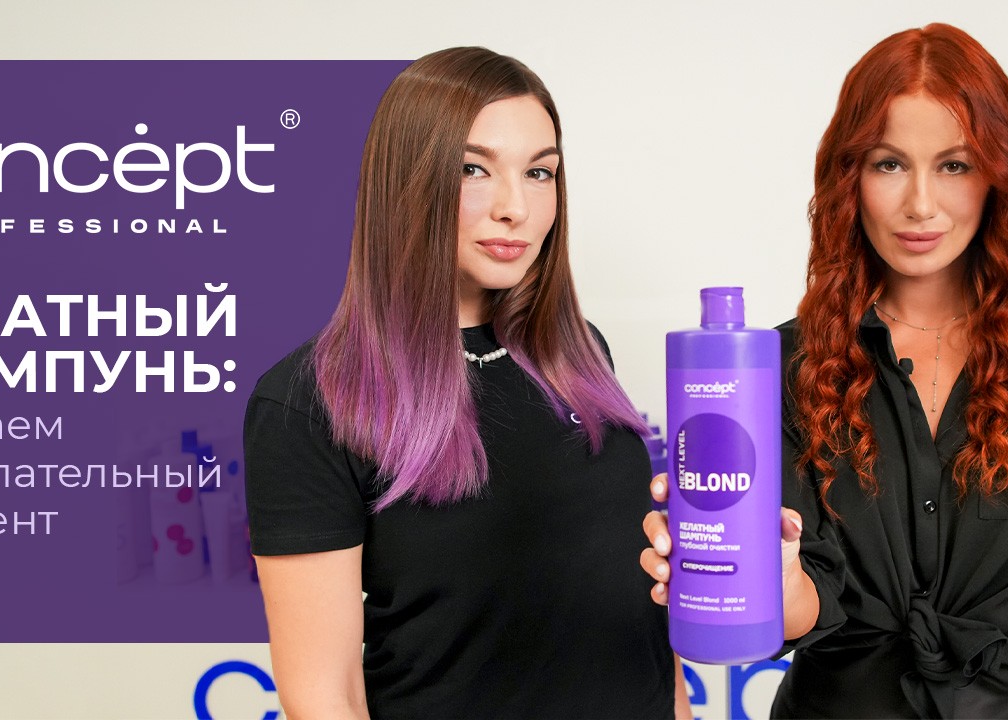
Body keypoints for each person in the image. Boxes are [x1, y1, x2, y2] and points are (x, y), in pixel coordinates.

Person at [642, 22, 1008, 718]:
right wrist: (766, 574)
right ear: (850, 177)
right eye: (889, 164)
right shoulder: (779, 367)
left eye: (955, 165)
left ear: (998, 175)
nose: (921, 204)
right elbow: (803, 601)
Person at [245, 47, 685, 719]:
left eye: (539, 172)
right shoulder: (310, 402)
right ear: (406, 180)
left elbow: (637, 612)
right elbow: (324, 694)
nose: (516, 207)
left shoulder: (578, 353)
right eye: (473, 168)